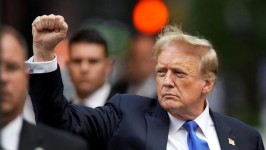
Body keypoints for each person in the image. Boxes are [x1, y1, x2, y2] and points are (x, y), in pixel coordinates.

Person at [27, 14, 265, 150]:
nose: (167, 82)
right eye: (161, 72)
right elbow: (58, 122)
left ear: (207, 84)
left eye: (179, 73)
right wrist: (44, 54)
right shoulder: (127, 114)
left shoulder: (246, 139)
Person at [0, 25, 89, 150]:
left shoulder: (64, 147)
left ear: (26, 77)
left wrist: (43, 54)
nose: (2, 78)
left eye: (11, 68)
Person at [66, 28, 115, 107]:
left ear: (108, 66)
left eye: (93, 61)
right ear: (68, 67)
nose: (84, 69)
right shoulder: (60, 115)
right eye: (77, 61)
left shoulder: (125, 112)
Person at [112, 33, 157, 98]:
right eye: (134, 57)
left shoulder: (166, 92)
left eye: (144, 58)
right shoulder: (118, 91)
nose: (139, 64)